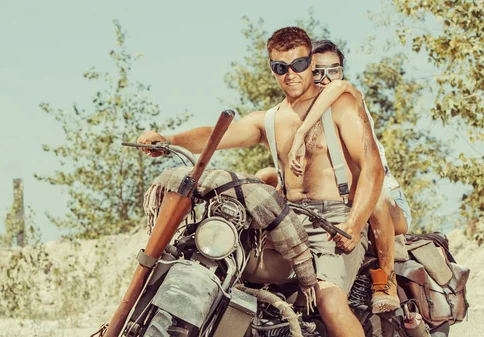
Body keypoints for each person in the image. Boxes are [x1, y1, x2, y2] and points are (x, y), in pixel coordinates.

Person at [138, 26, 382, 337]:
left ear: (311, 62)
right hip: (285, 220)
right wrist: (169, 139)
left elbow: (373, 167)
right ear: (272, 69)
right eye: (280, 68)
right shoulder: (269, 120)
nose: (290, 75)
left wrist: (355, 223)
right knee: (223, 269)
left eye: (299, 65)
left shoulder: (339, 106)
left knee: (328, 298)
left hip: (333, 222)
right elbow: (218, 135)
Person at [256, 39, 411, 313]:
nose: (327, 79)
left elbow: (336, 89)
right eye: (319, 72)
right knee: (265, 176)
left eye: (334, 70)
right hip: (332, 204)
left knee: (371, 191)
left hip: (387, 200)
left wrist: (301, 133)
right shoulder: (298, 111)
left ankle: (385, 278)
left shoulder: (348, 95)